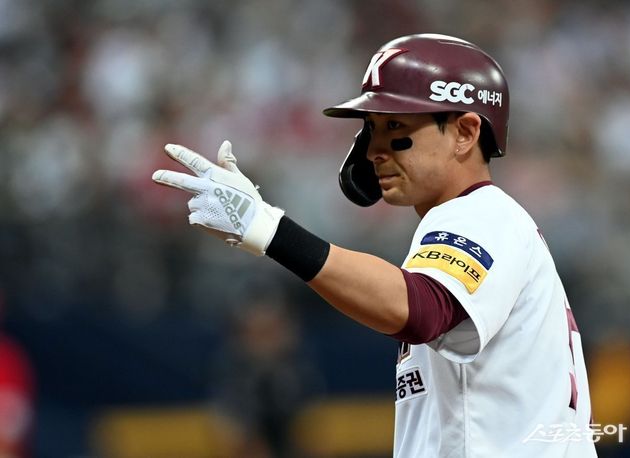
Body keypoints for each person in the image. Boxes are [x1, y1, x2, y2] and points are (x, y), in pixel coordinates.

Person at [152, 33, 596, 457]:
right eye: (372, 129)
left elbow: (422, 310)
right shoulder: (479, 220)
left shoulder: (482, 213)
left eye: (396, 126)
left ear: (465, 132)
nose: (373, 151)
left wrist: (271, 230)